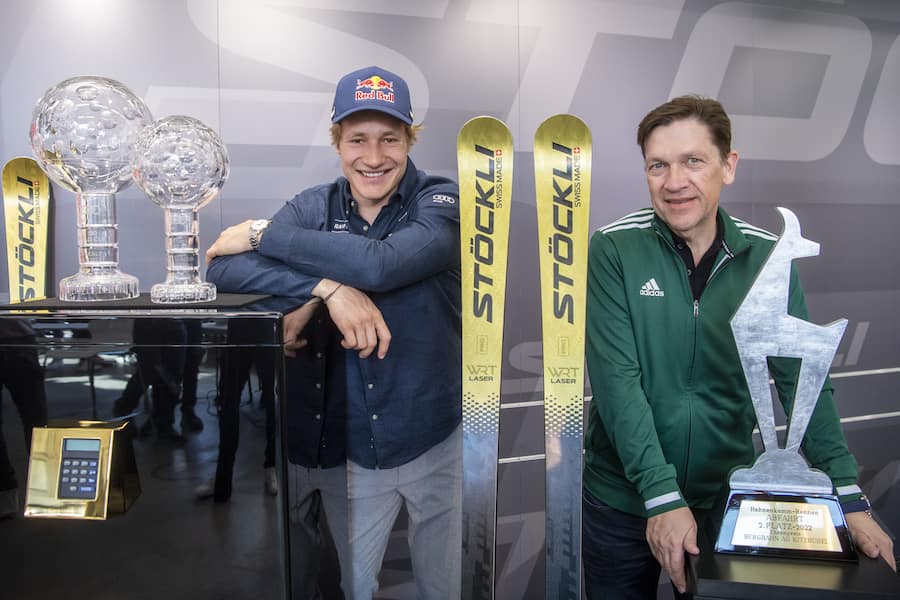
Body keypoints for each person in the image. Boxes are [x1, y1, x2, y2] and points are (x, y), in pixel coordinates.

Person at [581, 95, 896, 599]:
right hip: (621, 499)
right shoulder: (615, 247)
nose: (674, 181)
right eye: (657, 165)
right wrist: (661, 496)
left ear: (728, 166)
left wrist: (848, 493)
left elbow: (804, 380)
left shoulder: (767, 257)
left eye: (693, 161)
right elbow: (618, 383)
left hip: (722, 501)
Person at [204, 65, 462, 599]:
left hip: (434, 437)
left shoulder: (441, 201)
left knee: (445, 588)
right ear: (337, 142)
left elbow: (382, 265)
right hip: (359, 448)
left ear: (410, 138)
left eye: (390, 139)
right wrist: (327, 288)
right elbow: (222, 272)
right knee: (354, 589)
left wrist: (260, 234)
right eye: (357, 140)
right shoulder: (311, 206)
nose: (373, 157)